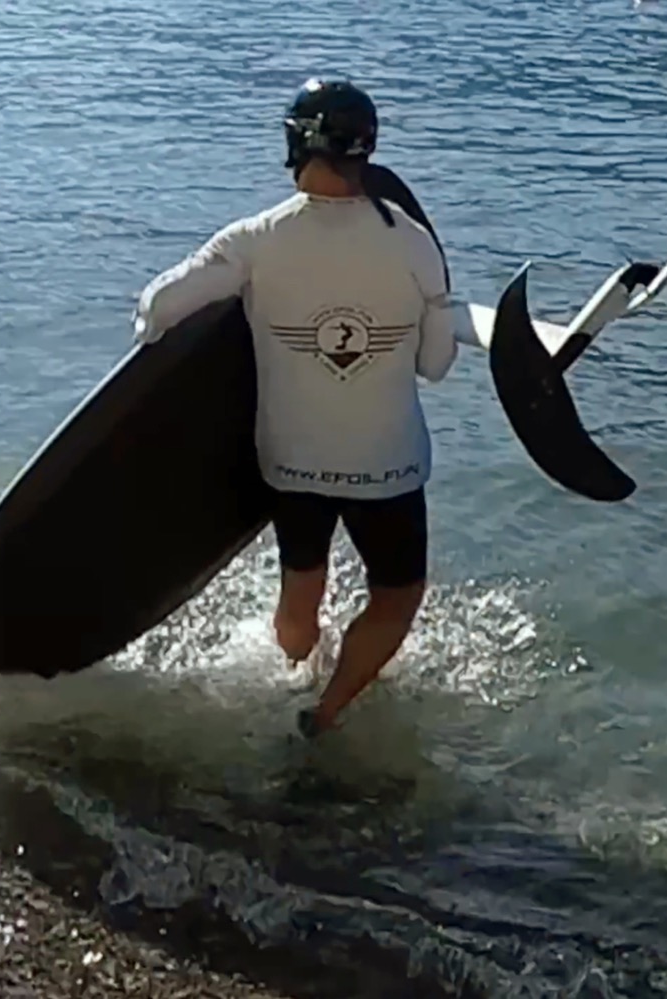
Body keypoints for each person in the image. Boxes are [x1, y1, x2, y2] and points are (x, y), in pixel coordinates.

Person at [131, 78, 458, 738]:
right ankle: (327, 709)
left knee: (300, 594)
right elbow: (435, 364)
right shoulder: (416, 244)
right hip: (387, 466)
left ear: (295, 142)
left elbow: (158, 312)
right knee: (396, 595)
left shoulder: (255, 239)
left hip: (292, 464)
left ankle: (294, 668)